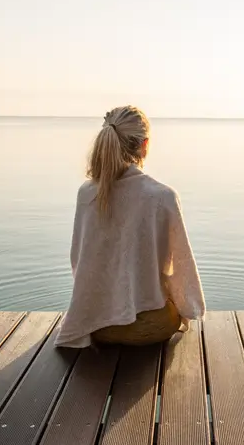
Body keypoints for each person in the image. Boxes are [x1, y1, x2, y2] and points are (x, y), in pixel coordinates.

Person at [55, 106, 205, 348]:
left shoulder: (86, 193)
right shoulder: (163, 196)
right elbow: (181, 269)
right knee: (167, 305)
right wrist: (190, 308)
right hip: (152, 328)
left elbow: (78, 262)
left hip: (98, 326)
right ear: (144, 145)